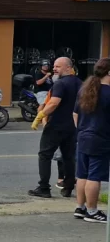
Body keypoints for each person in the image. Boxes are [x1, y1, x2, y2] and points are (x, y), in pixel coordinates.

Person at [29, 57, 82, 198]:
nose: (54, 69)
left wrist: (40, 116)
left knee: (44, 155)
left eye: (58, 66)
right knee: (68, 157)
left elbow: (53, 103)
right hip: (72, 126)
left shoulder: (60, 84)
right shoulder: (80, 83)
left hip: (56, 125)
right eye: (54, 66)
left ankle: (44, 187)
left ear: (68, 68)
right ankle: (68, 186)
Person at [72, 57, 110, 223]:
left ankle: (80, 207)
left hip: (83, 137)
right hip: (101, 138)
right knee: (95, 176)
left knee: (82, 175)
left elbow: (75, 114)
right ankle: (93, 211)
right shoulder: (108, 93)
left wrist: (82, 129)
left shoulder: (85, 90)